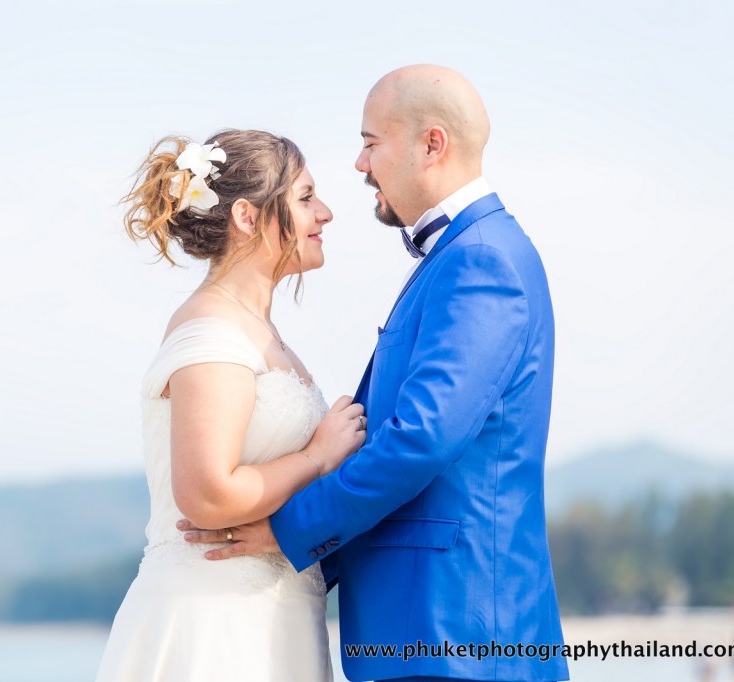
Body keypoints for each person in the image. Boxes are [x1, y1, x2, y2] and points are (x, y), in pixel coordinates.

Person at [183, 65, 571, 681]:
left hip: (455, 635)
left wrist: (290, 531)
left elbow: (421, 438)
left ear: (431, 144)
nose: (360, 165)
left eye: (370, 142)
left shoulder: (482, 260)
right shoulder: (462, 256)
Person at [95, 129, 367, 681]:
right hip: (214, 625)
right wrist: (317, 458)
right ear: (248, 216)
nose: (327, 213)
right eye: (306, 198)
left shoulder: (258, 330)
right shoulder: (212, 329)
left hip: (275, 619)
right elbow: (206, 494)